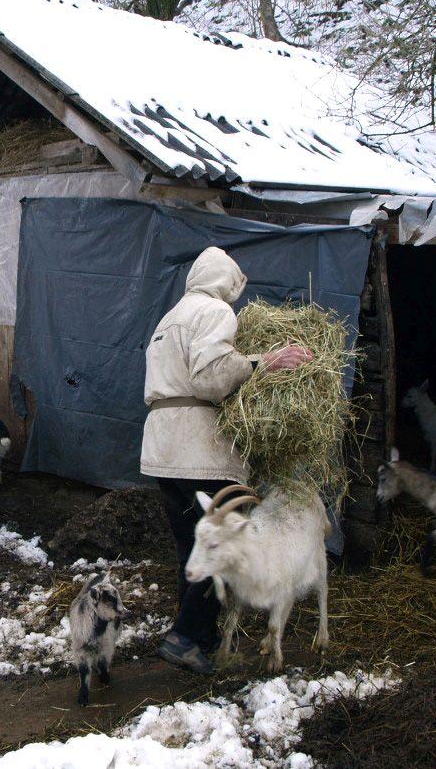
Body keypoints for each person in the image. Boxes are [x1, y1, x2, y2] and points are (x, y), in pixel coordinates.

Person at [141, 246, 312, 674]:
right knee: (221, 547)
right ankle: (183, 636)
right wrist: (264, 362)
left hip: (161, 449)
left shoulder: (168, 318)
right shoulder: (215, 311)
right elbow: (211, 377)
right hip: (198, 449)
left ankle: (202, 637)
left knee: (191, 549)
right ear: (227, 281)